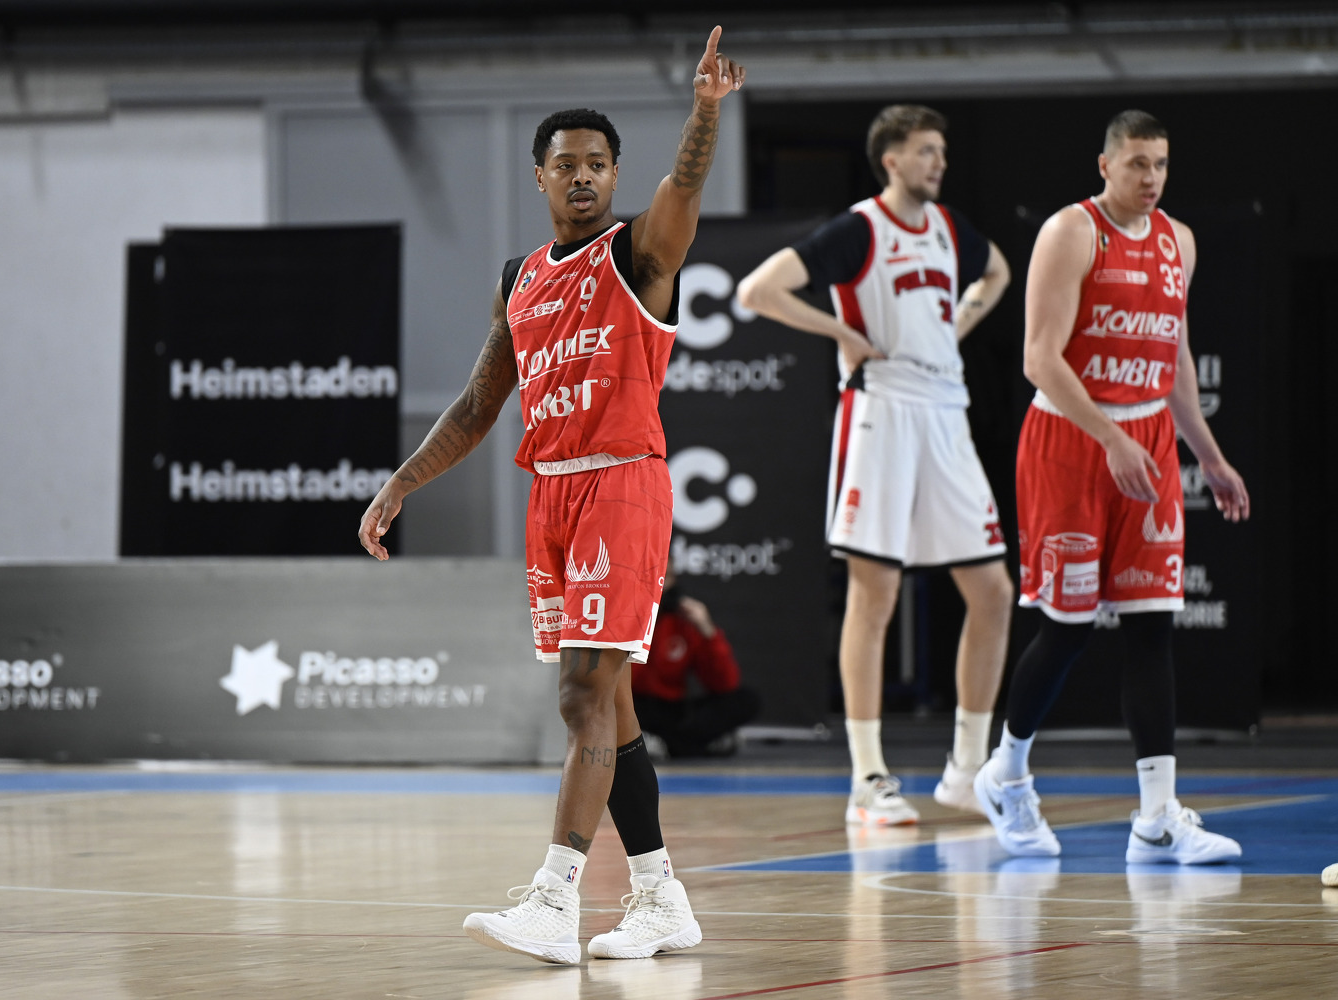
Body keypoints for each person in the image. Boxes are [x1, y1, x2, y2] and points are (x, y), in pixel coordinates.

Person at [358, 27, 744, 964]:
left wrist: (703, 112)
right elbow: (477, 406)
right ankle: (659, 897)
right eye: (565, 164)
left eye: (597, 164)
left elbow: (685, 185)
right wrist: (403, 482)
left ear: (613, 175)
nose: (582, 177)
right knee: (610, 709)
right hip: (554, 496)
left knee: (580, 695)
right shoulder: (520, 280)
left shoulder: (639, 255)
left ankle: (554, 898)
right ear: (539, 177)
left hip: (621, 483)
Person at [973, 110, 1249, 863]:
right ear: (1104, 165)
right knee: (1065, 627)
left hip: (1147, 438)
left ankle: (1156, 819)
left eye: (1160, 164)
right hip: (1071, 438)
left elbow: (1175, 358)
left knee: (1152, 623)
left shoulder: (1178, 241)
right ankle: (1005, 772)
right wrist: (1109, 437)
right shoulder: (1071, 232)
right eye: (1136, 163)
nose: (1150, 177)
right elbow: (1039, 358)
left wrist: (1209, 458)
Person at [735, 105, 1014, 826]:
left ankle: (966, 771)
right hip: (881, 411)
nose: (938, 162)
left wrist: (957, 324)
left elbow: (997, 271)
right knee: (875, 595)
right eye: (925, 151)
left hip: (945, 412)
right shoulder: (859, 229)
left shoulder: (948, 228)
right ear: (891, 160)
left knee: (992, 591)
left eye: (941, 150)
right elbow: (756, 290)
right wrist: (840, 332)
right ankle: (867, 780)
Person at [632, 566, 761, 758]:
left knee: (745, 701)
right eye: (652, 575)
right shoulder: (624, 616)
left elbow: (725, 684)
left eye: (666, 576)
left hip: (674, 709)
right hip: (633, 706)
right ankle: (693, 745)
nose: (660, 583)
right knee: (607, 706)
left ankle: (660, 744)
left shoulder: (684, 619)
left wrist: (707, 631)